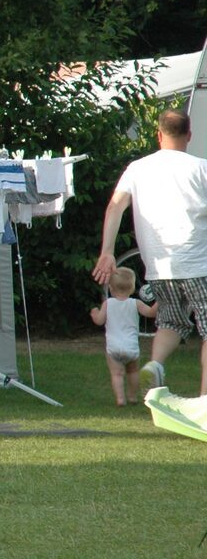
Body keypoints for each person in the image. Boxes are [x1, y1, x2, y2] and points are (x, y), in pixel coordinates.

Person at [92, 109, 207, 396]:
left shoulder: (137, 169)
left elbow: (115, 206)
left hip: (158, 268)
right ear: (189, 136)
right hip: (198, 265)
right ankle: (205, 401)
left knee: (171, 321)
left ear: (158, 135)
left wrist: (107, 251)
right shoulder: (201, 168)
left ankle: (155, 364)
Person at [89, 266, 157, 407]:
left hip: (113, 347)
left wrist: (95, 313)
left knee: (117, 374)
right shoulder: (135, 303)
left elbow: (100, 321)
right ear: (132, 288)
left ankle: (120, 399)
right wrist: (160, 301)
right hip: (131, 347)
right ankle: (132, 397)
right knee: (133, 372)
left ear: (111, 288)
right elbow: (151, 313)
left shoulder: (108, 304)